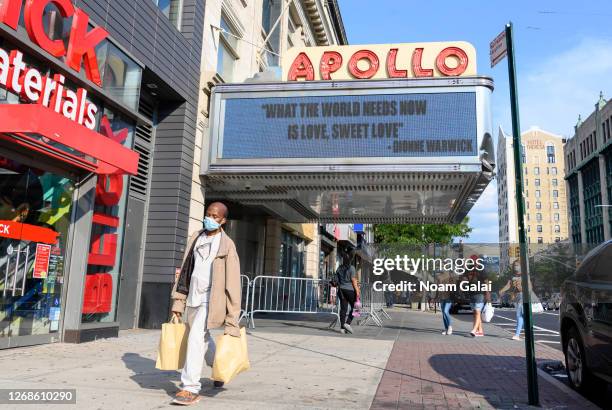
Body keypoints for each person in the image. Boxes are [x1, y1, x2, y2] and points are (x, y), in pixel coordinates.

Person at [170, 202, 241, 406]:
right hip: (191, 296)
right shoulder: (196, 237)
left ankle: (190, 388)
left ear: (223, 221)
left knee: (195, 339)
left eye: (214, 216)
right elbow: (185, 269)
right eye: (208, 214)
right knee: (202, 337)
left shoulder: (227, 246)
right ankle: (219, 369)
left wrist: (232, 319)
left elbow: (234, 284)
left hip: (210, 301)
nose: (209, 218)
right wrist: (178, 303)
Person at [335, 249, 360, 334]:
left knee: (343, 309)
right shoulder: (352, 268)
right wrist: (357, 291)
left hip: (341, 290)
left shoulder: (339, 268)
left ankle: (342, 328)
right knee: (357, 307)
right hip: (350, 290)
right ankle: (348, 323)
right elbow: (353, 281)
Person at [499, 259, 524, 340]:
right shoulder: (512, 275)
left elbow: (528, 287)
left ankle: (517, 334)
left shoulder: (525, 275)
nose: (515, 267)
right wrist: (502, 290)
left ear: (521, 266)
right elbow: (508, 285)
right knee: (521, 315)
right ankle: (520, 333)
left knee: (519, 315)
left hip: (523, 296)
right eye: (514, 265)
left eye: (517, 265)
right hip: (516, 296)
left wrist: (520, 287)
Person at [467, 255, 490, 337]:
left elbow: (486, 281)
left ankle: (474, 330)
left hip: (480, 293)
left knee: (477, 311)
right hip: (471, 293)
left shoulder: (481, 269)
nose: (473, 262)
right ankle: (480, 331)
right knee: (475, 313)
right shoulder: (468, 269)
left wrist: (487, 293)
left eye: (475, 260)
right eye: (472, 261)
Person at [436, 271, 454, 335]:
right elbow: (437, 288)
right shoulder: (438, 276)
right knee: (443, 313)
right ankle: (446, 329)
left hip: (449, 297)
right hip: (441, 297)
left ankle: (449, 327)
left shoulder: (450, 275)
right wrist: (436, 297)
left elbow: (453, 286)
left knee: (446, 311)